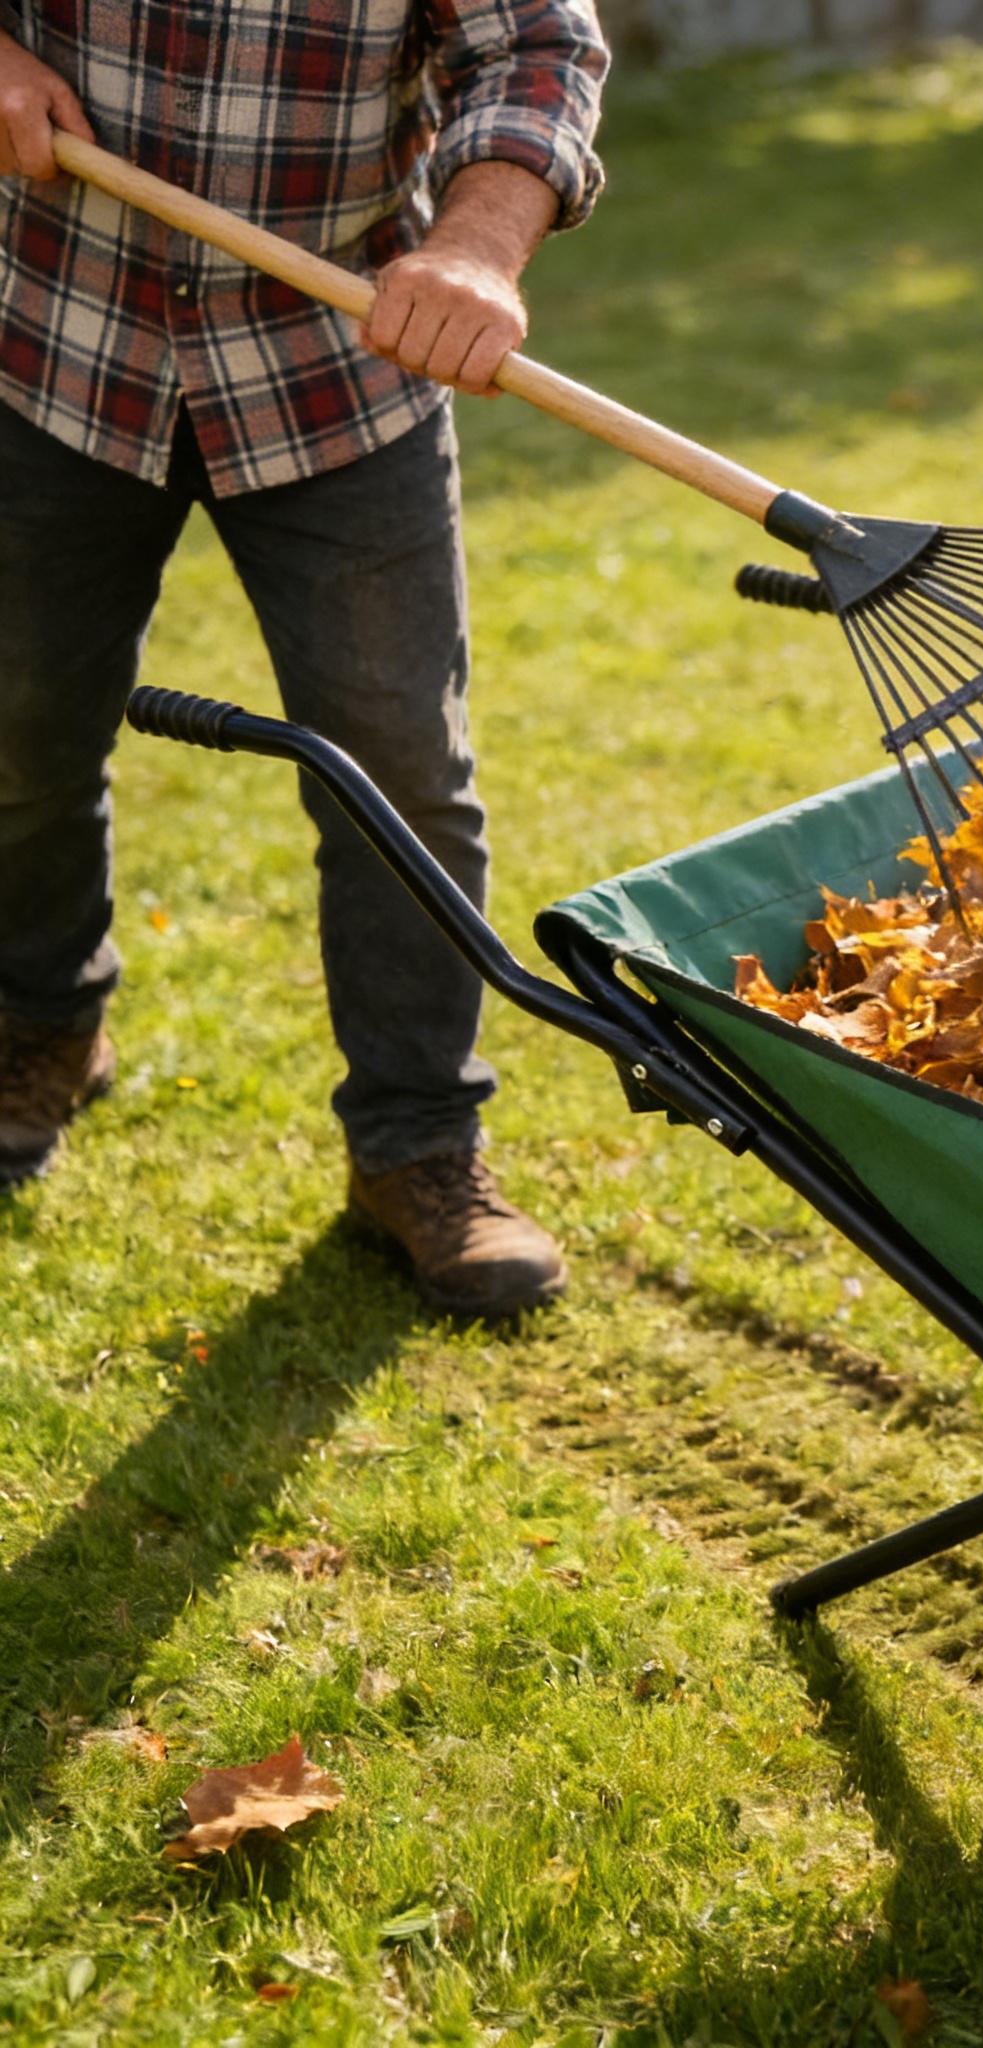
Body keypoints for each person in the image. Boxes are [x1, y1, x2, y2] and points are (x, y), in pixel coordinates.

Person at [0, 1, 607, 1318]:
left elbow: (538, 45)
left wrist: (479, 244)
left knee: (397, 773)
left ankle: (419, 1147)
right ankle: (42, 1024)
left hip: (337, 365)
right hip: (58, 342)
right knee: (17, 733)